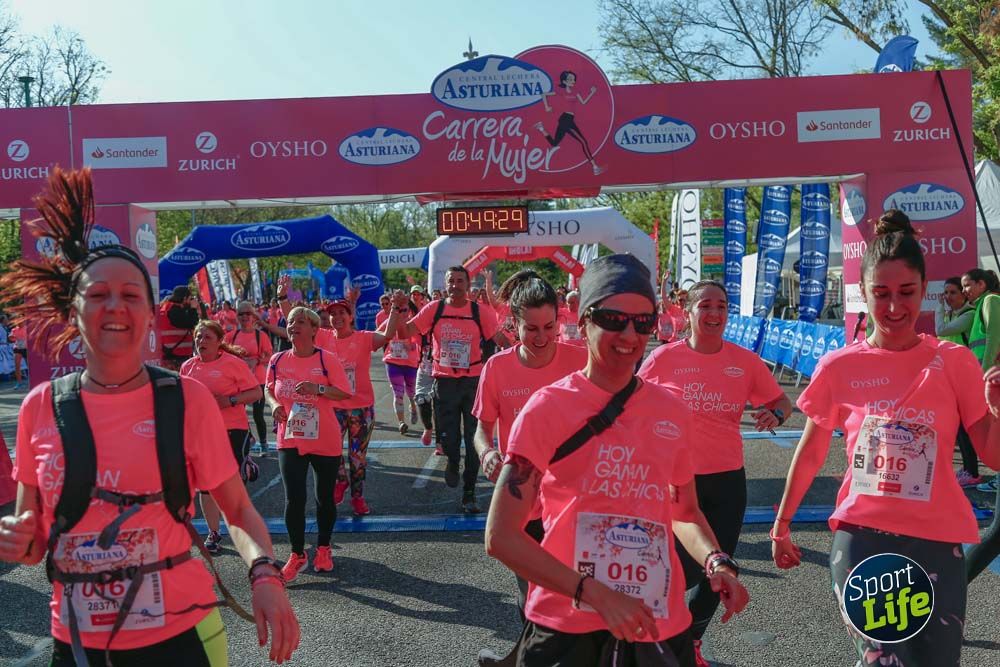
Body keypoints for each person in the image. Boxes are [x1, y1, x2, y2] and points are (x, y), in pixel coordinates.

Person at [0, 167, 298, 665]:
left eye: (131, 295)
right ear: (74, 311)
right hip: (75, 644)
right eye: (97, 294)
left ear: (149, 312)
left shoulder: (184, 399)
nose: (114, 305)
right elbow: (36, 543)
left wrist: (264, 574)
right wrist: (18, 539)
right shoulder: (40, 408)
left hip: (181, 637)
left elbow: (238, 510)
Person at [485, 254, 748, 667]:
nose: (630, 334)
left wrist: (716, 561)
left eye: (643, 322)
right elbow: (501, 536)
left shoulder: (672, 410)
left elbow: (685, 513)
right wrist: (594, 593)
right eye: (614, 318)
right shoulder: (547, 409)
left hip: (654, 621)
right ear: (585, 320)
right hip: (567, 625)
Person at [771, 210, 1000, 666]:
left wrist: (997, 409)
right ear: (862, 293)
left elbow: (992, 451)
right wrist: (782, 521)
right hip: (864, 538)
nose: (894, 307)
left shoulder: (954, 362)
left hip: (937, 538)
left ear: (925, 290)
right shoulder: (839, 366)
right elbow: (813, 448)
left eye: (906, 293)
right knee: (884, 662)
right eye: (881, 294)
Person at [638, 279, 791, 666]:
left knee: (720, 565)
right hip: (673, 481)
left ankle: (689, 642)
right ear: (688, 313)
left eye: (721, 306)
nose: (714, 314)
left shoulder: (744, 362)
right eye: (705, 306)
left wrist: (774, 413)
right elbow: (631, 404)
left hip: (726, 478)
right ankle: (655, 637)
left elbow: (781, 401)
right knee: (674, 569)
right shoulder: (662, 360)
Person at [473, 270, 588, 666]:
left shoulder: (580, 359)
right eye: (531, 329)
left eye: (549, 328)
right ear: (513, 324)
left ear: (560, 321)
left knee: (575, 592)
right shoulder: (498, 369)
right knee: (533, 594)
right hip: (524, 503)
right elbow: (481, 430)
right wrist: (487, 452)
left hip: (576, 501)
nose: (541, 338)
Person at [397, 266, 511, 513]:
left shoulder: (479, 312)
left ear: (468, 285)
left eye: (460, 281)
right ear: (445, 284)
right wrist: (398, 310)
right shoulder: (435, 309)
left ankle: (468, 494)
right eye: (451, 281)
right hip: (445, 382)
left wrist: (523, 349)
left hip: (473, 383)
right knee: (448, 437)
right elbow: (405, 332)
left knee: (474, 440)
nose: (455, 285)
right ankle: (451, 459)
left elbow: (500, 339)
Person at [265, 306, 352, 581]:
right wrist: (275, 404)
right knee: (294, 498)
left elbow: (345, 393)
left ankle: (324, 548)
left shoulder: (327, 360)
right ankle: (297, 553)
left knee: (324, 498)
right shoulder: (278, 360)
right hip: (289, 437)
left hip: (324, 437)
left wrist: (319, 389)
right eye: (291, 322)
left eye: (300, 322)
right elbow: (268, 388)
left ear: (314, 329)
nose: (293, 326)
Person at [315, 295, 406, 516]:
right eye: (333, 313)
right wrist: (282, 297)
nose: (337, 317)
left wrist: (395, 308)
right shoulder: (323, 337)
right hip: (333, 407)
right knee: (330, 450)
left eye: (341, 313)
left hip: (360, 408)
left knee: (357, 457)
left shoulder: (364, 338)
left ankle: (357, 497)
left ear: (351, 316)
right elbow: (296, 324)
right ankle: (341, 480)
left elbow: (387, 335)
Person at [181, 320, 262, 555]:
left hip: (233, 429)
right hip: (202, 433)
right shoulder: (188, 367)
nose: (201, 341)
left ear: (219, 342)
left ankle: (243, 531)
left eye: (207, 337)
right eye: (198, 336)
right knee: (206, 487)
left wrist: (230, 400)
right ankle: (214, 533)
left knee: (230, 485)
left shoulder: (232, 364)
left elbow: (256, 392)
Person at [935, 277, 980, 487]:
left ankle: (972, 472)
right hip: (951, 378)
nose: (948, 297)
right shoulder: (953, 314)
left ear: (963, 294)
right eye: (946, 293)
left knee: (965, 427)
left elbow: (941, 331)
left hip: (966, 378)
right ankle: (968, 469)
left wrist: (937, 308)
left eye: (953, 292)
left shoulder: (969, 315)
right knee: (958, 427)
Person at [225, 301, 275, 456]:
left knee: (257, 414)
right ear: (237, 317)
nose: (245, 316)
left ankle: (264, 443)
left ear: (254, 316)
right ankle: (249, 438)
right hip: (237, 381)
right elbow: (223, 356)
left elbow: (269, 356)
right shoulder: (231, 336)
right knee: (239, 411)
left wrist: (257, 360)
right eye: (241, 314)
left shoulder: (261, 336)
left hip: (257, 380)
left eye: (248, 313)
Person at [534, 70, 605, 176]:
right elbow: (544, 94)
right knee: (583, 142)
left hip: (568, 119)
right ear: (564, 81)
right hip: (565, 119)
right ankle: (595, 167)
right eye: (570, 79)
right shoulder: (560, 91)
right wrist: (546, 107)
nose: (573, 81)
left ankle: (541, 128)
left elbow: (584, 102)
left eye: (573, 79)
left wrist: (592, 93)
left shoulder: (575, 92)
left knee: (554, 143)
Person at [378, 298, 422, 435]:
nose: (402, 313)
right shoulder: (389, 322)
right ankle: (401, 422)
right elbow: (377, 335)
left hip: (410, 364)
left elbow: (423, 340)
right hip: (393, 362)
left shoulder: (414, 323)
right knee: (398, 394)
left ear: (409, 311)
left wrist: (413, 345)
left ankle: (413, 407)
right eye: (399, 310)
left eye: (405, 310)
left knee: (412, 392)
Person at [158, 285, 200, 371]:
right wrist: (193, 309)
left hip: (170, 353)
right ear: (184, 298)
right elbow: (192, 323)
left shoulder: (166, 308)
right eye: (189, 298)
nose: (190, 301)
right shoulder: (175, 310)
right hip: (177, 357)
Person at [10, 318, 27, 389]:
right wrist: (12, 337)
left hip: (26, 349)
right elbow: (11, 338)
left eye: (21, 322)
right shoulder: (14, 330)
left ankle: (34, 381)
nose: (19, 323)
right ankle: (19, 383)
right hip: (17, 348)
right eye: (18, 322)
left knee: (31, 366)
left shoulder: (27, 328)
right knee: (17, 366)